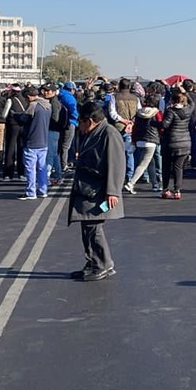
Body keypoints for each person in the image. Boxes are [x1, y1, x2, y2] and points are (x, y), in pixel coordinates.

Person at [68, 103, 124, 282]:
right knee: (87, 226)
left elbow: (116, 164)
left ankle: (103, 264)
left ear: (90, 121)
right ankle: (93, 262)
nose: (79, 126)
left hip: (100, 189)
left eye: (81, 122)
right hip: (88, 188)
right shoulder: (93, 132)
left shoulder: (109, 134)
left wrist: (113, 191)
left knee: (93, 227)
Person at [14, 86, 51, 200]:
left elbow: (24, 120)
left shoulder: (33, 106)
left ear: (29, 97)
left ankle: (31, 192)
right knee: (42, 167)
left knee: (30, 168)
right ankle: (43, 190)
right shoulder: (47, 106)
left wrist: (15, 115)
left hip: (31, 141)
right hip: (43, 141)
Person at [124, 94, 162, 194]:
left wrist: (134, 140)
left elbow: (135, 127)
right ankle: (131, 183)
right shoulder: (157, 113)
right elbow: (161, 126)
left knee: (150, 162)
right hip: (152, 141)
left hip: (140, 140)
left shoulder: (139, 113)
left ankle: (155, 184)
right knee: (143, 165)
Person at [159, 89, 192, 199]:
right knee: (178, 167)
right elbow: (192, 103)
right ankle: (177, 191)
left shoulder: (170, 111)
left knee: (166, 167)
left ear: (173, 100)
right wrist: (185, 92)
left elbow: (165, 125)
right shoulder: (188, 110)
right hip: (185, 142)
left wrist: (153, 123)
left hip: (171, 142)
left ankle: (165, 189)